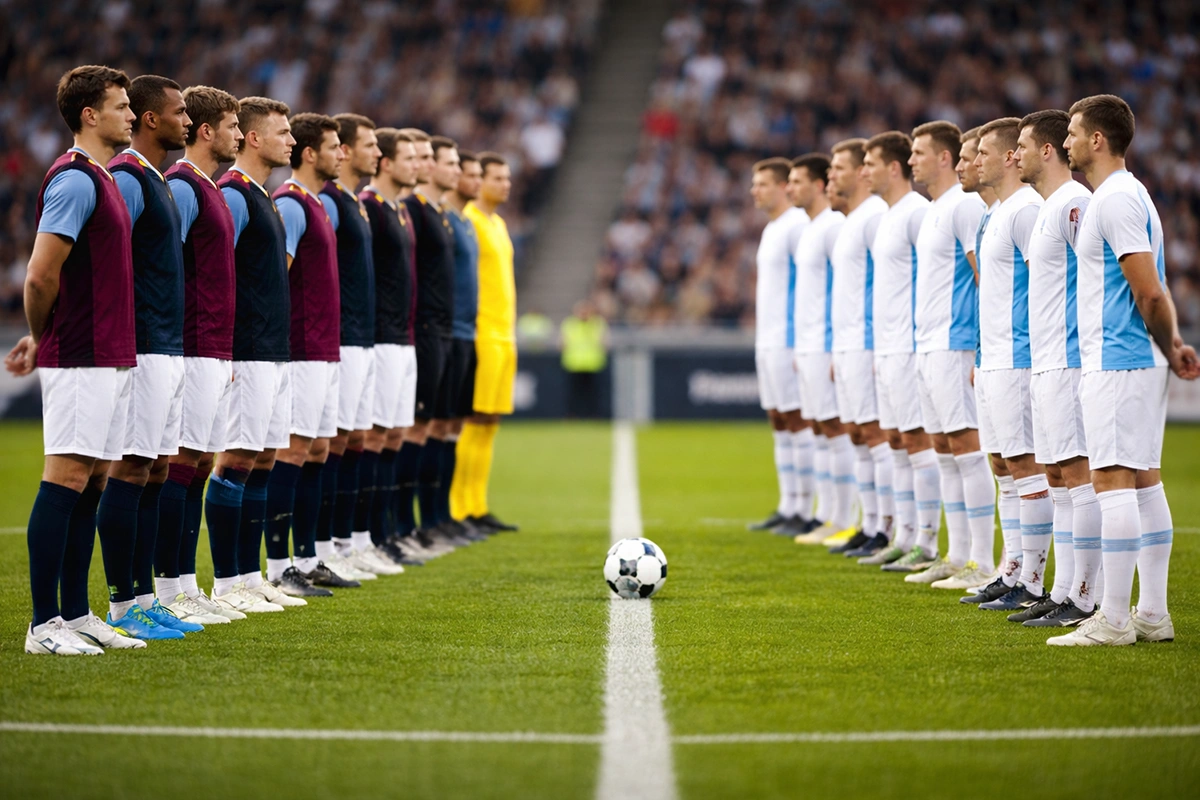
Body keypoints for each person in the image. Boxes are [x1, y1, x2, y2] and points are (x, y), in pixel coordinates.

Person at [1049, 95, 1200, 645]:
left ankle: (1113, 618)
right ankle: (1153, 615)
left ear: (1097, 139)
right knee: (1141, 482)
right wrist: (1174, 344)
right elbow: (1153, 290)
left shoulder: (1113, 201)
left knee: (1113, 481)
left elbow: (1149, 291)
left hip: (1117, 360)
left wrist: (1170, 338)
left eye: (1072, 132)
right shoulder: (1126, 196)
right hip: (1131, 360)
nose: (1065, 142)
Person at [7, 65, 143, 654]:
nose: (131, 116)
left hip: (105, 351)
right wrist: (44, 337)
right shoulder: (74, 180)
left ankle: (75, 613)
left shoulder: (103, 178)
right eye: (120, 106)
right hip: (82, 351)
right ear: (90, 115)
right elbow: (40, 275)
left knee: (90, 485)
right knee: (65, 479)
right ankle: (43, 626)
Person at [102, 74, 203, 639]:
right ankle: (123, 604)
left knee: (156, 470)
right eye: (179, 112)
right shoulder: (126, 179)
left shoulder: (155, 179)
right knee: (132, 467)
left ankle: (142, 597)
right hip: (139, 343)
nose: (185, 121)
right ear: (149, 119)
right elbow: (104, 254)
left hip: (167, 342)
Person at [1004, 109, 1097, 625]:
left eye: (1021, 144)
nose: (1014, 154)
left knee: (1078, 476)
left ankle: (1086, 596)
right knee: (1059, 475)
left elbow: (1098, 277)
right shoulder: (1047, 207)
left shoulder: (1075, 203)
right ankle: (1063, 590)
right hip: (1046, 360)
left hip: (1069, 357)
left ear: (1046, 151)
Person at [162, 84, 246, 623]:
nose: (239, 134)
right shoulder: (185, 187)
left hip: (213, 346)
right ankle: (168, 587)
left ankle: (186, 584)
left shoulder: (209, 187)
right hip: (190, 344)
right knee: (179, 466)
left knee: (195, 465)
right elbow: (166, 264)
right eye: (233, 124)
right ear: (206, 130)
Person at [267, 112, 359, 594]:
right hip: (302, 346)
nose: (341, 153)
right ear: (310, 154)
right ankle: (280, 566)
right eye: (334, 146)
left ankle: (308, 557)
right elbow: (276, 278)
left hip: (324, 347)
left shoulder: (318, 204)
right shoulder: (293, 205)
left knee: (319, 448)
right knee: (294, 449)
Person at [215, 96, 298, 612]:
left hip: (273, 347)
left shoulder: (261, 194)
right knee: (236, 459)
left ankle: (248, 577)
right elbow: (215, 272)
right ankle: (226, 583)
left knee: (263, 459)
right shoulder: (232, 195)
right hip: (245, 348)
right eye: (283, 132)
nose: (291, 140)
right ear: (253, 138)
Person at [906, 120, 995, 591]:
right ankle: (957, 553)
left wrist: (982, 343)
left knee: (966, 447)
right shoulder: (934, 209)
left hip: (955, 342)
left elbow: (983, 277)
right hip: (928, 344)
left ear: (943, 156)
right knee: (942, 449)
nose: (911, 160)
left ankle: (982, 559)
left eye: (919, 152)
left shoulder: (963, 207)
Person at [971, 117, 1049, 613]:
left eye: (982, 152)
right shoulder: (1002, 211)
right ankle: (1013, 569)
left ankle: (1035, 582)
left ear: (1007, 159)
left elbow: (1043, 283)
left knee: (1026, 467)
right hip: (995, 355)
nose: (975, 160)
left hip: (1019, 356)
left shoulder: (1026, 210)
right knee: (1003, 467)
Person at [863, 132, 940, 579]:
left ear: (891, 169)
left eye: (871, 163)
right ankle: (905, 536)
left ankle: (926, 541)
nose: (864, 171)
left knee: (917, 442)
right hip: (888, 347)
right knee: (896, 442)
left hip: (911, 346)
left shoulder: (917, 213)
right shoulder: (890, 216)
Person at [816, 140, 896, 560]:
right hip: (848, 344)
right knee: (859, 436)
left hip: (868, 343)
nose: (833, 176)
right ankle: (870, 524)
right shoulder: (850, 221)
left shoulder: (875, 218)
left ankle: (888, 527)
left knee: (878, 435)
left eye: (840, 168)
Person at [358, 128, 429, 568]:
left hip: (402, 338)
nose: (417, 165)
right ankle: (364, 537)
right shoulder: (370, 207)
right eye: (409, 158)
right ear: (386, 163)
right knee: (370, 438)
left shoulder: (398, 209)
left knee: (392, 437)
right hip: (379, 337)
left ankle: (382, 534)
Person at [316, 113, 382, 583]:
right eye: (366, 144)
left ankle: (345, 542)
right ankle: (321, 548)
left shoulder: (352, 203)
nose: (371, 152)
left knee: (353, 440)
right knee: (324, 445)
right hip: (331, 339)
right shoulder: (326, 203)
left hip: (358, 337)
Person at [786, 154, 859, 546]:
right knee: (821, 429)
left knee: (839, 429)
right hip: (812, 342)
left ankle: (845, 517)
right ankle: (829, 514)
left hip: (831, 343)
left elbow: (842, 291)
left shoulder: (833, 226)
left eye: (797, 181)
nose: (789, 188)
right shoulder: (815, 227)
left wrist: (832, 344)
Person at [401, 132, 468, 548]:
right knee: (413, 429)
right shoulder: (413, 210)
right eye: (426, 157)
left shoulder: (436, 213)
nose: (455, 171)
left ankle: (434, 519)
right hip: (423, 331)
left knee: (437, 428)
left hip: (443, 331)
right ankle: (410, 524)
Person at [746, 157, 812, 535]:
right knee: (780, 421)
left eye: (763, 184)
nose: (756, 191)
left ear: (784, 186)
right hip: (768, 339)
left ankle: (805, 508)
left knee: (799, 421)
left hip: (789, 340)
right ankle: (789, 504)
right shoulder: (773, 228)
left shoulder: (796, 227)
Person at [455, 152, 521, 532]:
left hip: (504, 334)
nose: (504, 184)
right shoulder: (472, 222)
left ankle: (477, 505)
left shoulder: (497, 223)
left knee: (489, 422)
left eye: (506, 178)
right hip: (483, 333)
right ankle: (459, 507)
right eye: (497, 177)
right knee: (472, 421)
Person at [440, 150, 487, 541]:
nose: (471, 178)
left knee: (452, 426)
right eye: (465, 171)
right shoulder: (451, 223)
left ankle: (446, 516)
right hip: (445, 333)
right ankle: (433, 517)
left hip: (466, 334)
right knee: (429, 428)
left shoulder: (465, 223)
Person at [560, 299, 609, 418]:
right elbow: (562, 343)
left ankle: (594, 415)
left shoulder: (598, 323)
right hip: (574, 364)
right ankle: (572, 415)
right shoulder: (570, 324)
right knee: (574, 393)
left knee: (593, 393)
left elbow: (605, 342)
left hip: (593, 364)